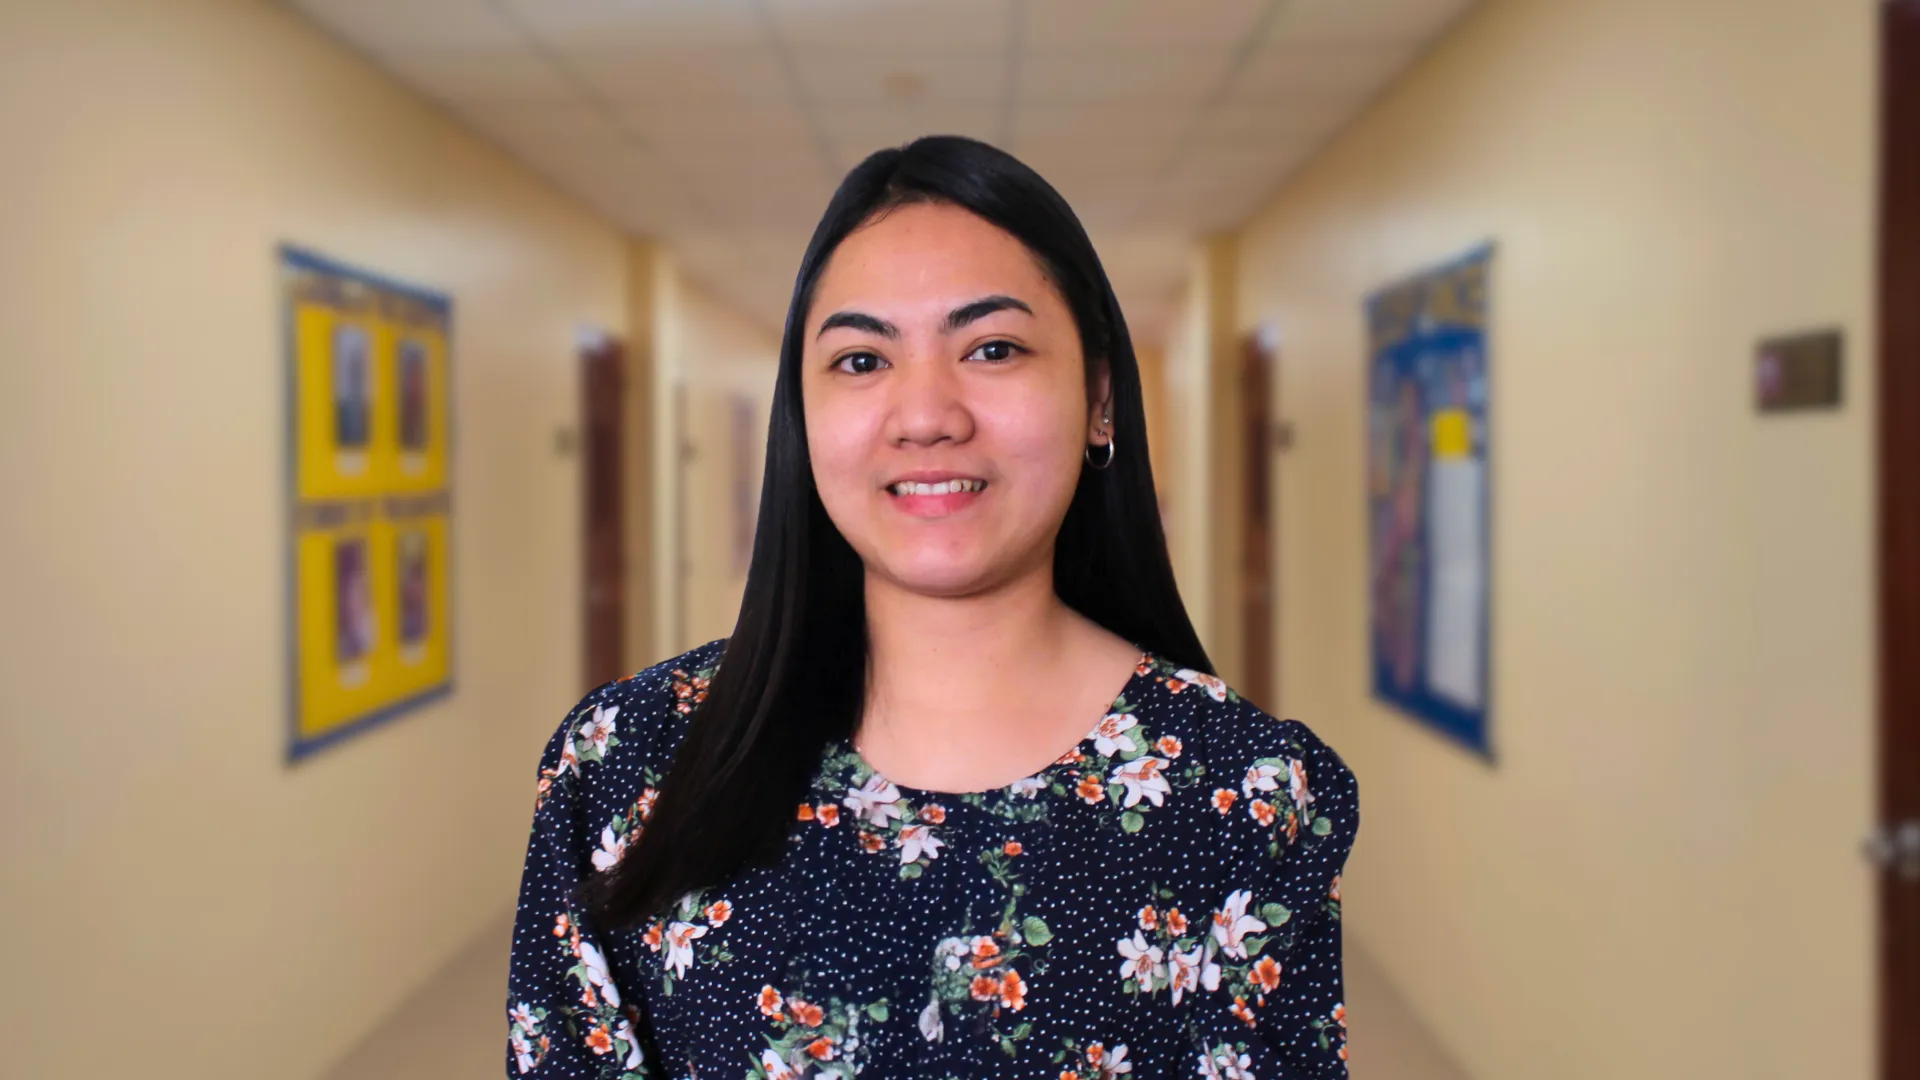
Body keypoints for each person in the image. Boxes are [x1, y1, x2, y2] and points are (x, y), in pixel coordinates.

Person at [505, 136, 1358, 1080]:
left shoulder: (1240, 793)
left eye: (992, 348)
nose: (925, 416)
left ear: (1100, 397)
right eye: (861, 360)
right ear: (802, 415)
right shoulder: (628, 766)